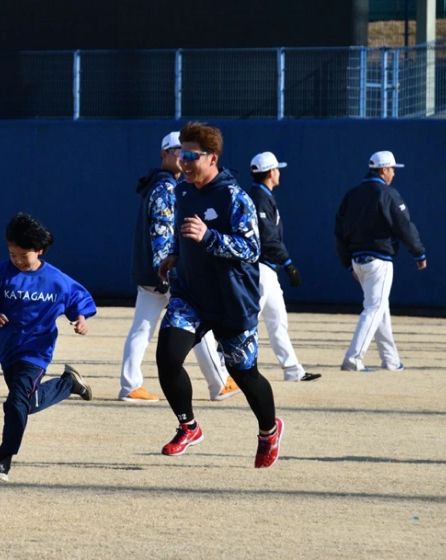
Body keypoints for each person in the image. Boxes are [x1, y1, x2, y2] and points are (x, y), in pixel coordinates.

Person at [156, 122, 284, 469]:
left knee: (245, 374)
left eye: (191, 155)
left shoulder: (234, 197)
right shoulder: (182, 190)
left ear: (212, 158)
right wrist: (173, 255)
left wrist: (209, 237)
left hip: (232, 301)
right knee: (167, 359)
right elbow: (183, 234)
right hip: (190, 297)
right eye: (181, 153)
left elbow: (251, 248)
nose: (183, 161)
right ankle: (188, 426)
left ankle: (269, 430)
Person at [0, 213, 96, 482]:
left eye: (23, 255)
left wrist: (80, 319)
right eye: (13, 254)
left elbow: (78, 300)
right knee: (27, 402)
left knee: (15, 402)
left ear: (40, 250)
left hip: (36, 352)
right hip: (8, 351)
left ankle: (3, 460)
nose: (17, 260)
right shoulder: (0, 274)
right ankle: (68, 384)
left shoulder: (57, 280)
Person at [121, 131, 240, 403]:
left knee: (142, 329)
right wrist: (168, 270)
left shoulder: (157, 184)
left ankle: (129, 385)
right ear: (164, 154)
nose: (181, 156)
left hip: (149, 272)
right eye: (176, 151)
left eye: (185, 151)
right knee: (196, 325)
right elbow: (161, 231)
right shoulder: (165, 186)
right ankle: (219, 382)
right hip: (165, 272)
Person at [335, 151, 426, 372]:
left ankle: (391, 360)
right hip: (378, 261)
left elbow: (338, 231)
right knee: (374, 308)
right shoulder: (387, 193)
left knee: (380, 309)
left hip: (358, 261)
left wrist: (347, 263)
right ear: (383, 170)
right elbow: (404, 225)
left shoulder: (351, 194)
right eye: (392, 169)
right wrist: (418, 252)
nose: (394, 173)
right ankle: (353, 358)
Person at [248, 152, 320, 382]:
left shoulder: (264, 195)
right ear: (270, 172)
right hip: (259, 268)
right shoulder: (259, 197)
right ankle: (221, 363)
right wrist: (288, 263)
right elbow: (268, 237)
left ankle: (292, 370)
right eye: (277, 169)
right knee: (247, 320)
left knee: (278, 319)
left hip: (268, 268)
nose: (279, 173)